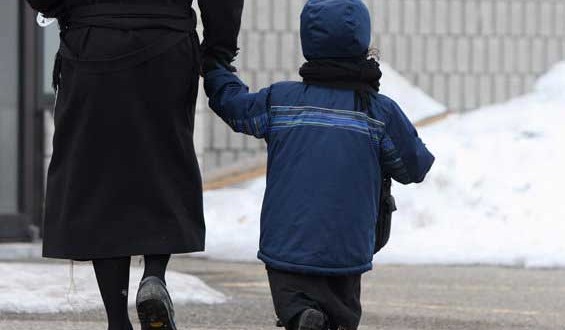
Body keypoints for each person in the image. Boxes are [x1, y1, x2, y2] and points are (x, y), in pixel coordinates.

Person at [202, 0, 435, 329]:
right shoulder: (378, 112)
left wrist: (216, 69)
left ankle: (299, 316)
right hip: (348, 247)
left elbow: (234, 107)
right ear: (363, 44)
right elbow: (415, 168)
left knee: (293, 301)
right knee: (341, 317)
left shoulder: (281, 101)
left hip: (287, 245)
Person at [24, 0, 244, 329]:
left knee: (99, 179)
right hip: (167, 45)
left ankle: (117, 318)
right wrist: (218, 50)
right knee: (163, 166)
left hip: (91, 44)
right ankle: (153, 277)